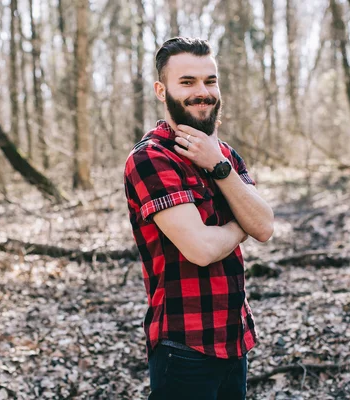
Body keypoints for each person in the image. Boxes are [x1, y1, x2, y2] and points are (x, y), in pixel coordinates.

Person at [123, 37, 274, 400]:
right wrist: (240, 227)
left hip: (234, 337)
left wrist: (219, 167)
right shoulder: (151, 159)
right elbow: (202, 249)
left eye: (210, 81)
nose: (202, 92)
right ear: (162, 90)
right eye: (187, 82)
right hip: (184, 346)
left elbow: (265, 227)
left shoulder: (224, 155)